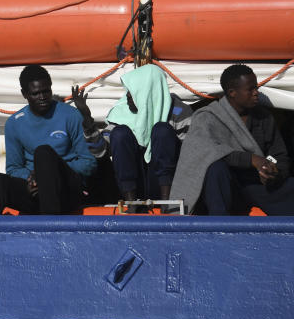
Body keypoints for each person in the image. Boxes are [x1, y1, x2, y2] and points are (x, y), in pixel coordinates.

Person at [171, 64, 294, 215]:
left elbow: (280, 156)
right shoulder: (207, 117)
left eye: (256, 88)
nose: (256, 93)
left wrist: (274, 173)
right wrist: (252, 159)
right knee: (215, 169)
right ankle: (219, 225)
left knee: (289, 186)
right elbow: (207, 152)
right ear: (232, 93)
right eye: (250, 89)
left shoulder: (264, 117)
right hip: (227, 186)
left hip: (257, 185)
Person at [0, 65, 96, 215]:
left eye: (46, 91)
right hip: (35, 190)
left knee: (43, 153)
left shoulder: (71, 115)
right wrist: (32, 180)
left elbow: (88, 163)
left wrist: (47, 173)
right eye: (35, 93)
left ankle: (50, 226)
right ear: (24, 94)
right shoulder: (14, 123)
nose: (42, 97)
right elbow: (13, 168)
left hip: (67, 192)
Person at [73, 63, 191, 201]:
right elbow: (100, 152)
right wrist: (87, 119)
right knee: (120, 133)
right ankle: (130, 204)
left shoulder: (179, 112)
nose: (128, 96)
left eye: (133, 91)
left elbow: (190, 156)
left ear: (147, 90)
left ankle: (166, 202)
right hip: (133, 186)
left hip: (171, 184)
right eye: (128, 91)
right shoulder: (122, 112)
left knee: (162, 130)